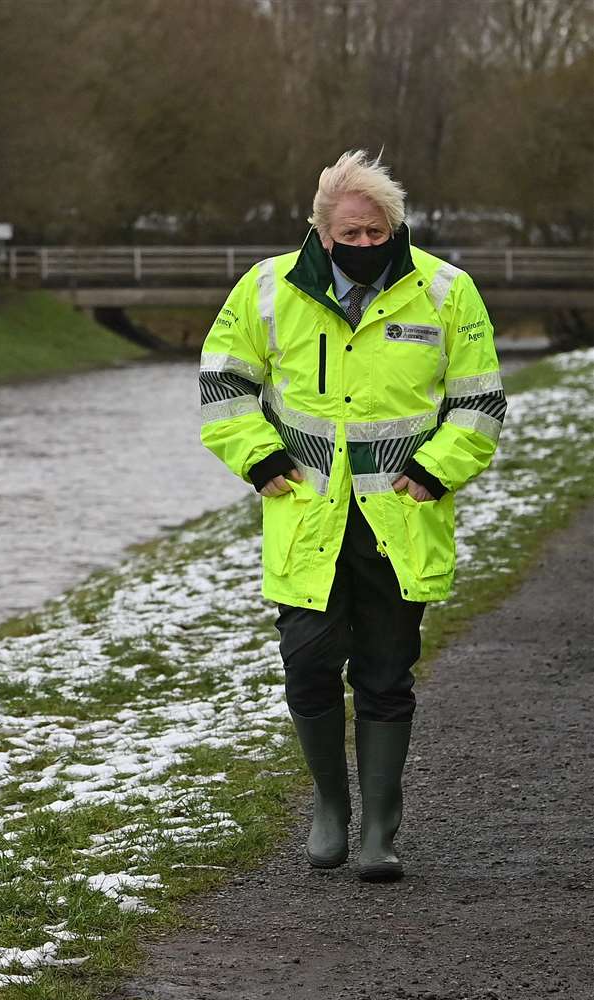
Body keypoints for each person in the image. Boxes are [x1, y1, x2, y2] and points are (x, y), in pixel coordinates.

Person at [197, 149, 504, 882]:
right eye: (350, 235)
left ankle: (379, 833)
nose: (363, 246)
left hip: (401, 519)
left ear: (393, 229)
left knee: (385, 674)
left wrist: (435, 471)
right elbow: (222, 381)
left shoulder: (445, 290)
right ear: (320, 230)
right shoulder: (267, 288)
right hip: (305, 517)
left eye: (375, 234)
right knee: (306, 667)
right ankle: (328, 811)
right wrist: (260, 460)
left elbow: (479, 399)